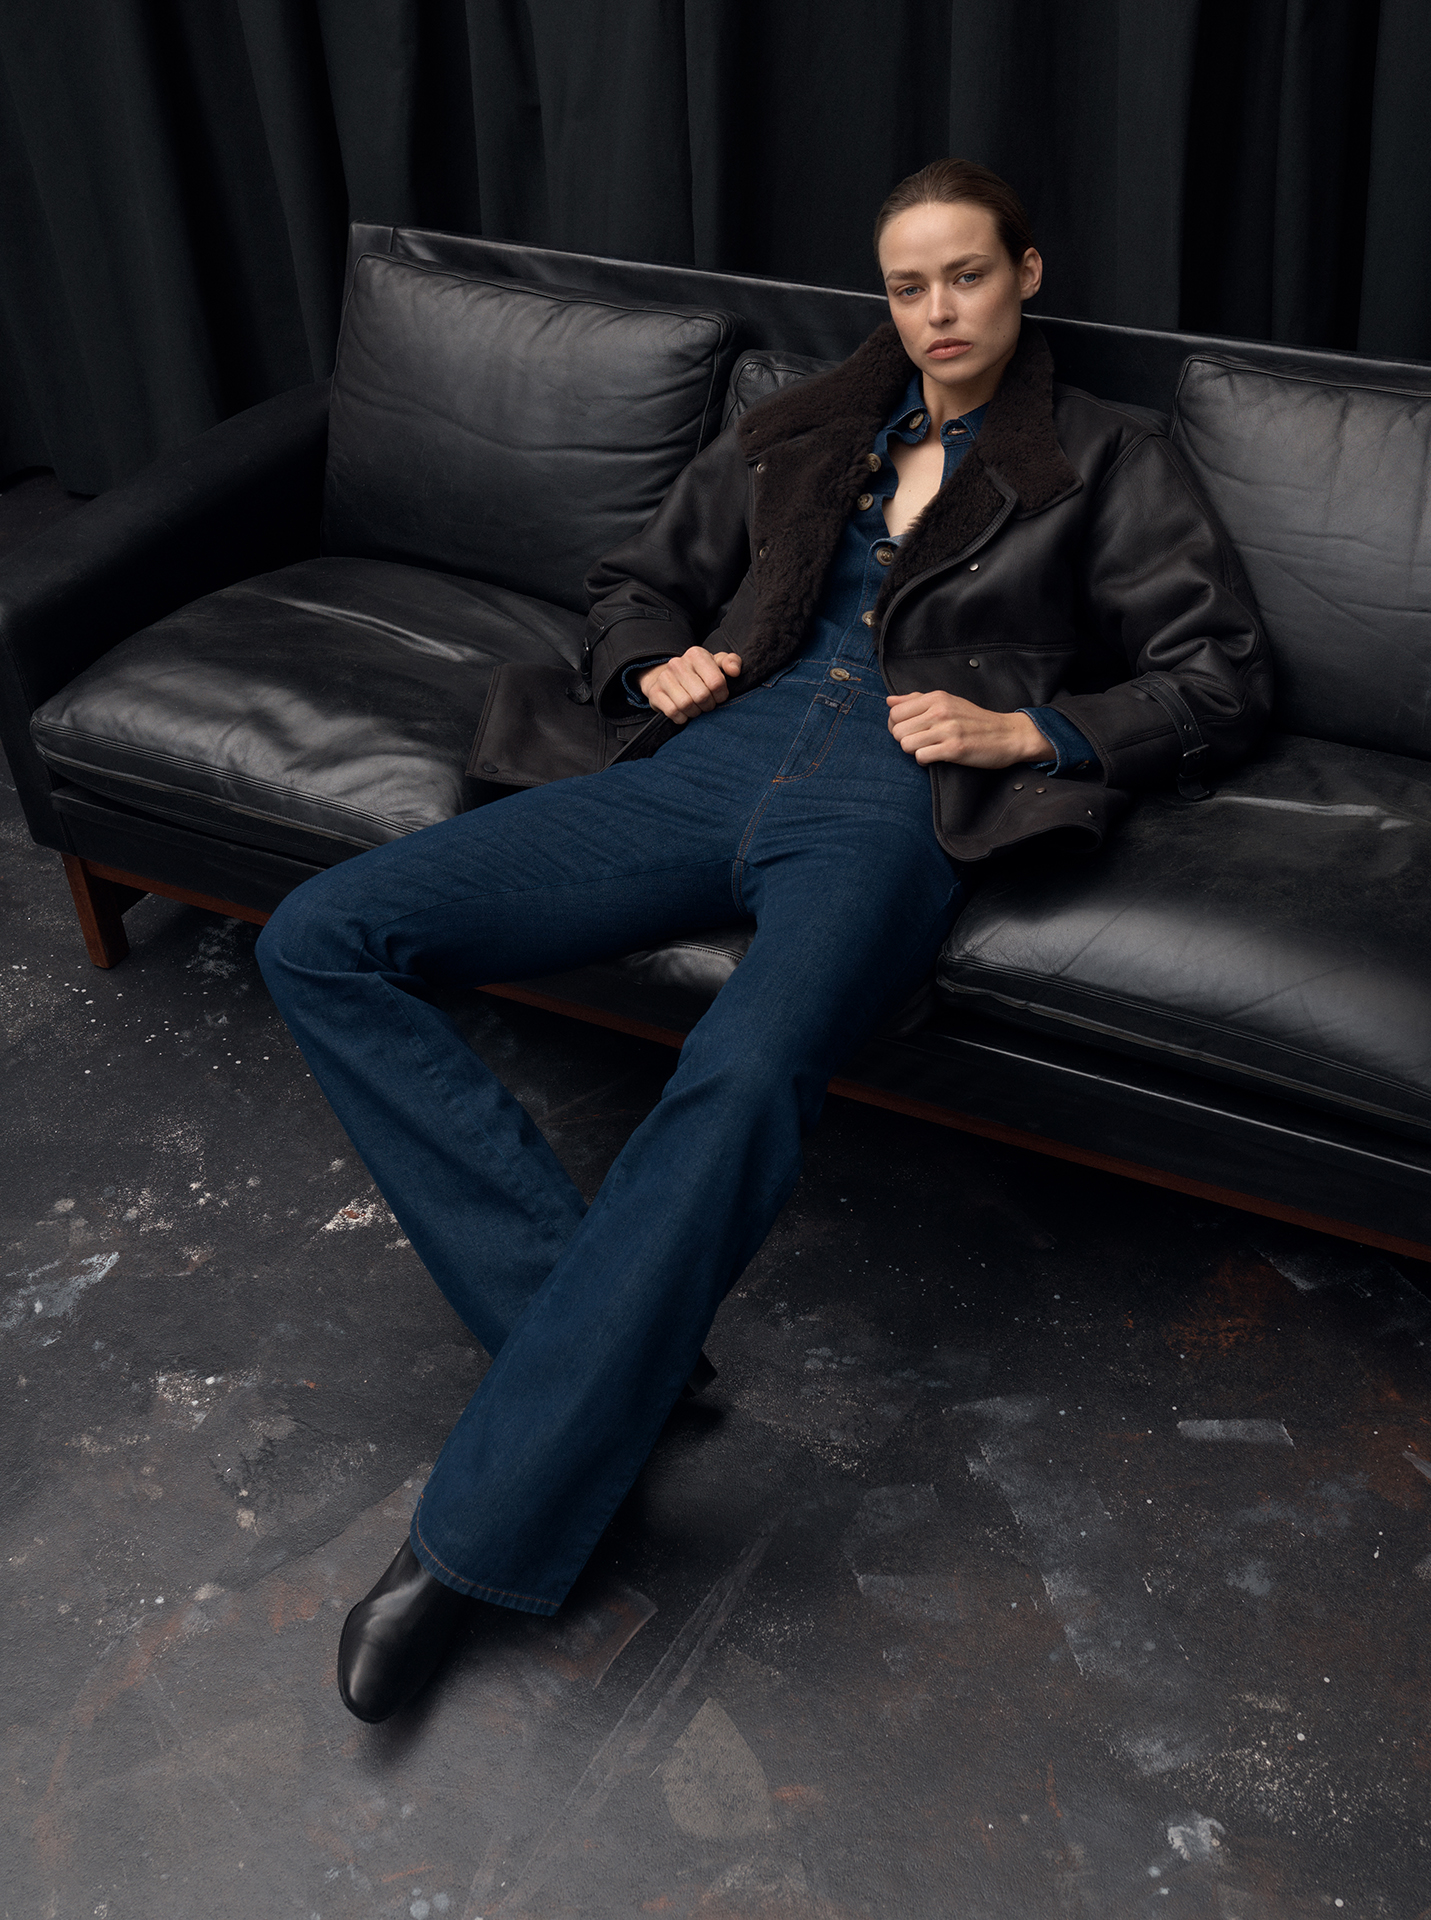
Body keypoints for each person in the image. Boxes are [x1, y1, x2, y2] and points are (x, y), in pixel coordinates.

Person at [255, 159, 1271, 1723]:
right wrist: (652, 661)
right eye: (909, 286)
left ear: (1026, 274)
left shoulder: (1106, 455)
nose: (938, 311)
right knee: (324, 934)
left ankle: (470, 1544)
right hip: (714, 754)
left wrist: (1036, 731)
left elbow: (1222, 674)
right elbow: (634, 584)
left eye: (968, 276)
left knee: (743, 1075)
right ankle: (619, 1356)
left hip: (893, 797)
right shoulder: (809, 425)